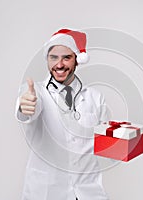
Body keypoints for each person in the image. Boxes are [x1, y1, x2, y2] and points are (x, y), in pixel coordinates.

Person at [15, 29, 109, 200]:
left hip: (88, 191)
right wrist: (25, 106)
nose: (59, 64)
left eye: (66, 57)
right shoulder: (36, 92)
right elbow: (28, 110)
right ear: (47, 60)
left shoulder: (95, 97)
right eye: (53, 58)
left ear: (77, 61)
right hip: (47, 191)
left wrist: (130, 141)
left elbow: (106, 140)